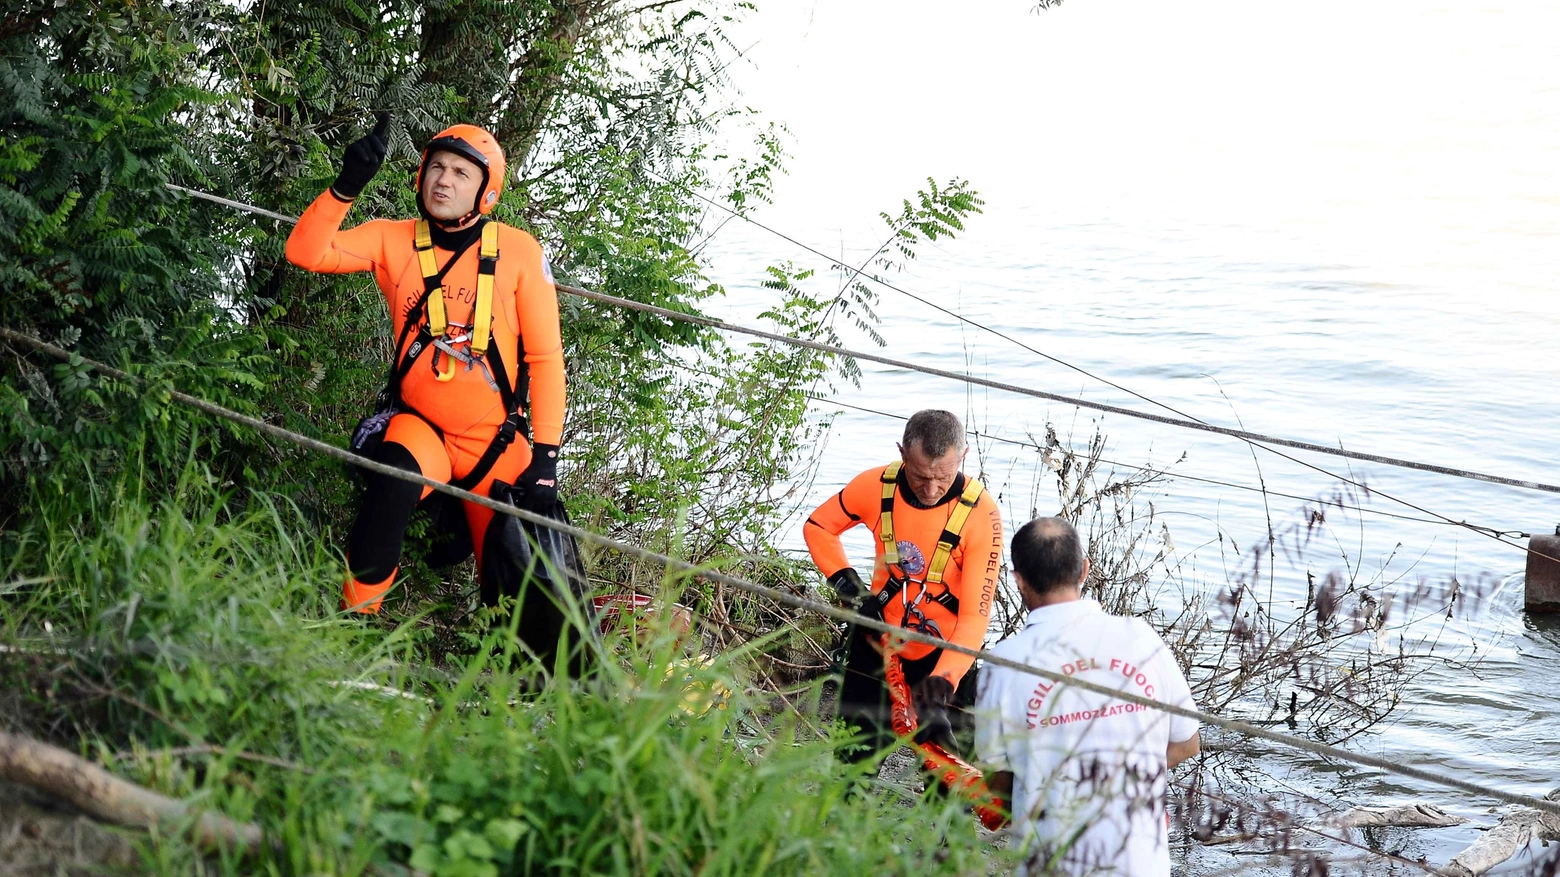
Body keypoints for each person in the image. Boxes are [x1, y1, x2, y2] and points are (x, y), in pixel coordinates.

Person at [285, 115, 565, 615]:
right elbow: (305, 252)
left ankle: (518, 679)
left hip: (495, 444)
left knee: (515, 576)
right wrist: (345, 186)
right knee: (391, 480)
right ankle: (353, 626)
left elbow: (545, 361)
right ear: (420, 177)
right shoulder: (392, 239)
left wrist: (545, 460)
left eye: (461, 173)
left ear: (487, 192)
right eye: (437, 167)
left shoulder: (520, 253)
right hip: (423, 429)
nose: (444, 180)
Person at [975, 517, 1199, 877]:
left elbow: (998, 783)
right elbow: (1186, 744)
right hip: (1142, 862)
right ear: (1084, 570)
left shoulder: (1001, 665)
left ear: (1017, 580)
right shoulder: (1141, 637)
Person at [803, 409, 1003, 767]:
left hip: (942, 657)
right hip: (876, 641)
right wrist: (850, 589)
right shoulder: (876, 486)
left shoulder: (981, 515)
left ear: (964, 456)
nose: (930, 489)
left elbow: (974, 619)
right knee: (851, 764)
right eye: (919, 475)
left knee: (947, 786)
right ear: (902, 453)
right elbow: (819, 526)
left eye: (943, 477)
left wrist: (943, 682)